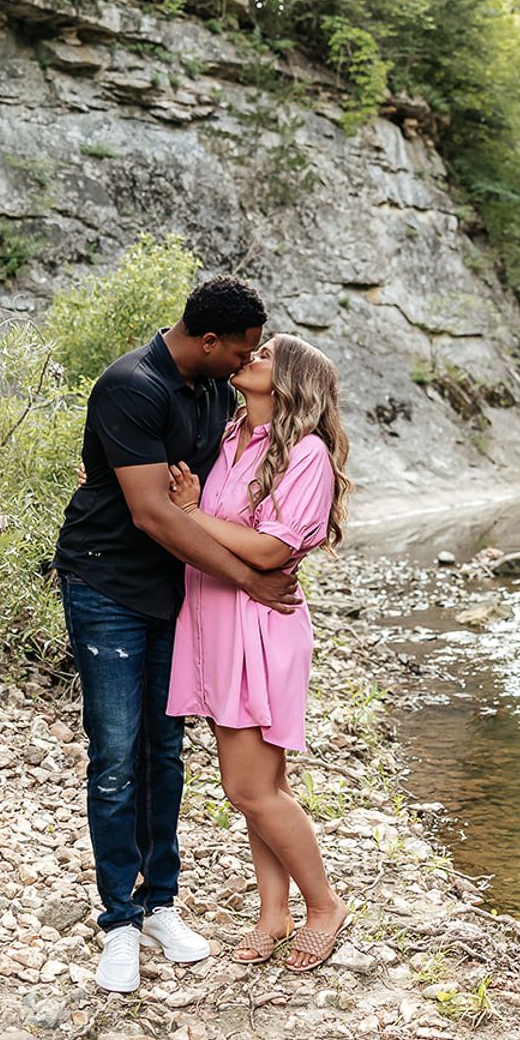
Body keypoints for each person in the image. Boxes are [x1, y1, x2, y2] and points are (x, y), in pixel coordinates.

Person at [52, 277, 302, 995]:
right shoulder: (130, 385)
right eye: (244, 350)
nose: (247, 361)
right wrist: (250, 581)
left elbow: (220, 491)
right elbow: (155, 515)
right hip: (108, 586)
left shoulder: (215, 390)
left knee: (165, 753)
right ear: (211, 340)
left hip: (179, 592)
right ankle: (119, 923)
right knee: (117, 756)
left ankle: (161, 905)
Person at [165, 333, 354, 972]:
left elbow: (271, 551)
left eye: (267, 356)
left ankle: (324, 905)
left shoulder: (307, 455)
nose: (251, 359)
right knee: (260, 787)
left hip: (262, 625)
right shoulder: (230, 438)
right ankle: (273, 914)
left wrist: (184, 514)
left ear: (292, 383)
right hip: (216, 622)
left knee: (248, 789)